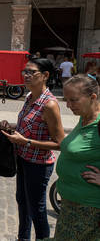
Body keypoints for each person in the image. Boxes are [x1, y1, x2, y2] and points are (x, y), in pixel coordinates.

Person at [0, 58, 65, 240]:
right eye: (25, 72)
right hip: (22, 159)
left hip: (39, 165)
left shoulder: (49, 105)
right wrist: (10, 127)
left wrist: (26, 142)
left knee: (37, 209)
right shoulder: (29, 97)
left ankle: (42, 238)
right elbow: (29, 127)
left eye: (31, 72)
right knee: (22, 202)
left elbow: (60, 143)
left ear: (45, 76)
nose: (26, 76)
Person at [53, 74, 100, 240]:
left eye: (74, 100)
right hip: (70, 204)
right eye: (66, 100)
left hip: (89, 209)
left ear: (92, 97)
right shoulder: (84, 118)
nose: (68, 105)